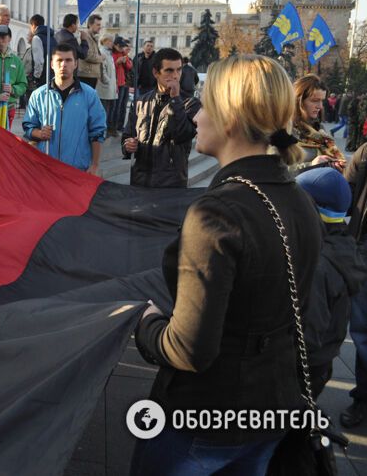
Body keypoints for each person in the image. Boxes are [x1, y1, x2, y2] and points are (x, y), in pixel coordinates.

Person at [132, 55, 322, 475]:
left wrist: (145, 322)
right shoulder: (299, 200)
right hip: (270, 412)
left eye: (205, 103)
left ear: (232, 118)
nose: (196, 114)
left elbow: (189, 349)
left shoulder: (216, 213)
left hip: (202, 422)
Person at [295, 167, 366, 400]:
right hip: (323, 359)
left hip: (302, 367)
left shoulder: (317, 264)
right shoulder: (342, 243)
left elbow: (308, 331)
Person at [122, 48, 201, 188]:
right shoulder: (141, 102)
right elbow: (128, 135)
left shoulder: (191, 103)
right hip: (140, 181)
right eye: (169, 70)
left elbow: (182, 135)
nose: (175, 75)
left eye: (179, 70)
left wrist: (175, 99)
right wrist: (127, 146)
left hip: (170, 184)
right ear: (156, 72)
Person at [22, 43, 106, 175]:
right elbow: (28, 128)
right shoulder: (38, 95)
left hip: (78, 170)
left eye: (68, 60)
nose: (63, 65)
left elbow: (98, 132)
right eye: (59, 60)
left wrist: (95, 165)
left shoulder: (89, 95)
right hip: (46, 169)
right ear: (51, 64)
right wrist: (39, 133)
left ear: (76, 64)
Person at [340, 144, 367, 426]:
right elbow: (346, 197)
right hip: (364, 248)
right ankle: (363, 398)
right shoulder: (366, 153)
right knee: (363, 329)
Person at [292, 75, 346, 172]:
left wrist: (333, 163)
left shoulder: (318, 127)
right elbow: (275, 171)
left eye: (322, 100)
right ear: (298, 101)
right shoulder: (284, 130)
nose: (320, 106)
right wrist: (311, 165)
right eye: (315, 101)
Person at [96, 34, 118, 134]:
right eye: (110, 41)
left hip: (111, 88)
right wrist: (108, 81)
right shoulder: (102, 51)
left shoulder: (109, 53)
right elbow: (102, 69)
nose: (112, 43)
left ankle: (106, 131)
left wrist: (114, 84)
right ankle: (101, 132)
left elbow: (113, 72)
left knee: (109, 111)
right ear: (104, 41)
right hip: (104, 88)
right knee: (103, 112)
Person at [111, 36, 132, 136]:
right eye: (120, 46)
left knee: (123, 106)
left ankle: (119, 126)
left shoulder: (123, 54)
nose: (122, 48)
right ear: (115, 45)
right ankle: (113, 128)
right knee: (116, 107)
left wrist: (124, 61)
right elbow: (110, 67)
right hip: (116, 83)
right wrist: (117, 62)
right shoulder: (112, 54)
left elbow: (129, 66)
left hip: (123, 82)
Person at [29, 14, 56, 88]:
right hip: (53, 74)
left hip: (43, 77)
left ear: (33, 25)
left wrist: (36, 78)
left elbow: (39, 61)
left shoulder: (37, 38)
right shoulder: (52, 37)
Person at [77, 14, 103, 88]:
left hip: (91, 75)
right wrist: (101, 58)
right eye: (98, 25)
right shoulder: (86, 37)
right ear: (90, 24)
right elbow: (87, 55)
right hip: (86, 75)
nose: (100, 27)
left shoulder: (93, 37)